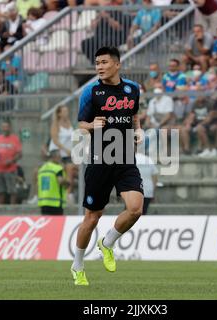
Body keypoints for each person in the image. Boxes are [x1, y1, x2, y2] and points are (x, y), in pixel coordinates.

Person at [72, 46, 144, 286]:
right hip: (99, 160)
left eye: (104, 62)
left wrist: (139, 130)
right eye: (97, 63)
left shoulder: (132, 89)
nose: (99, 67)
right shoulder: (90, 92)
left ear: (117, 64)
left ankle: (108, 242)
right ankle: (78, 265)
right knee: (92, 218)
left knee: (135, 209)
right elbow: (81, 124)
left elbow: (134, 115)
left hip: (125, 159)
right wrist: (92, 125)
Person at [49, 105, 77, 204]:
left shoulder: (69, 123)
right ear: (59, 113)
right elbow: (55, 140)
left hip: (68, 154)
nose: (66, 113)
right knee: (68, 168)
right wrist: (66, 150)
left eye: (67, 111)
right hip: (57, 152)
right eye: (64, 111)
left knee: (72, 169)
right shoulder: (55, 124)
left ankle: (69, 193)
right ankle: (68, 195)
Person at [0, 119, 22, 204]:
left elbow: (19, 154)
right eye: (3, 127)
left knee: (12, 190)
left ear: (10, 128)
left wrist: (11, 160)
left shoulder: (15, 139)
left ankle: (12, 209)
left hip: (10, 169)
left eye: (6, 127)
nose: (5, 129)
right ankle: (1, 211)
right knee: (0, 191)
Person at [37, 149, 69, 215]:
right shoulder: (57, 168)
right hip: (55, 203)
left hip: (43, 202)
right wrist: (68, 183)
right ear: (55, 157)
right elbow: (60, 181)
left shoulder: (41, 169)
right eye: (59, 157)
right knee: (57, 224)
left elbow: (37, 185)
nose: (60, 159)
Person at [135, 148, 158, 215]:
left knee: (130, 212)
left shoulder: (131, 159)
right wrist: (153, 192)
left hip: (134, 190)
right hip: (148, 190)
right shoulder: (149, 160)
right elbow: (155, 177)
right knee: (143, 211)